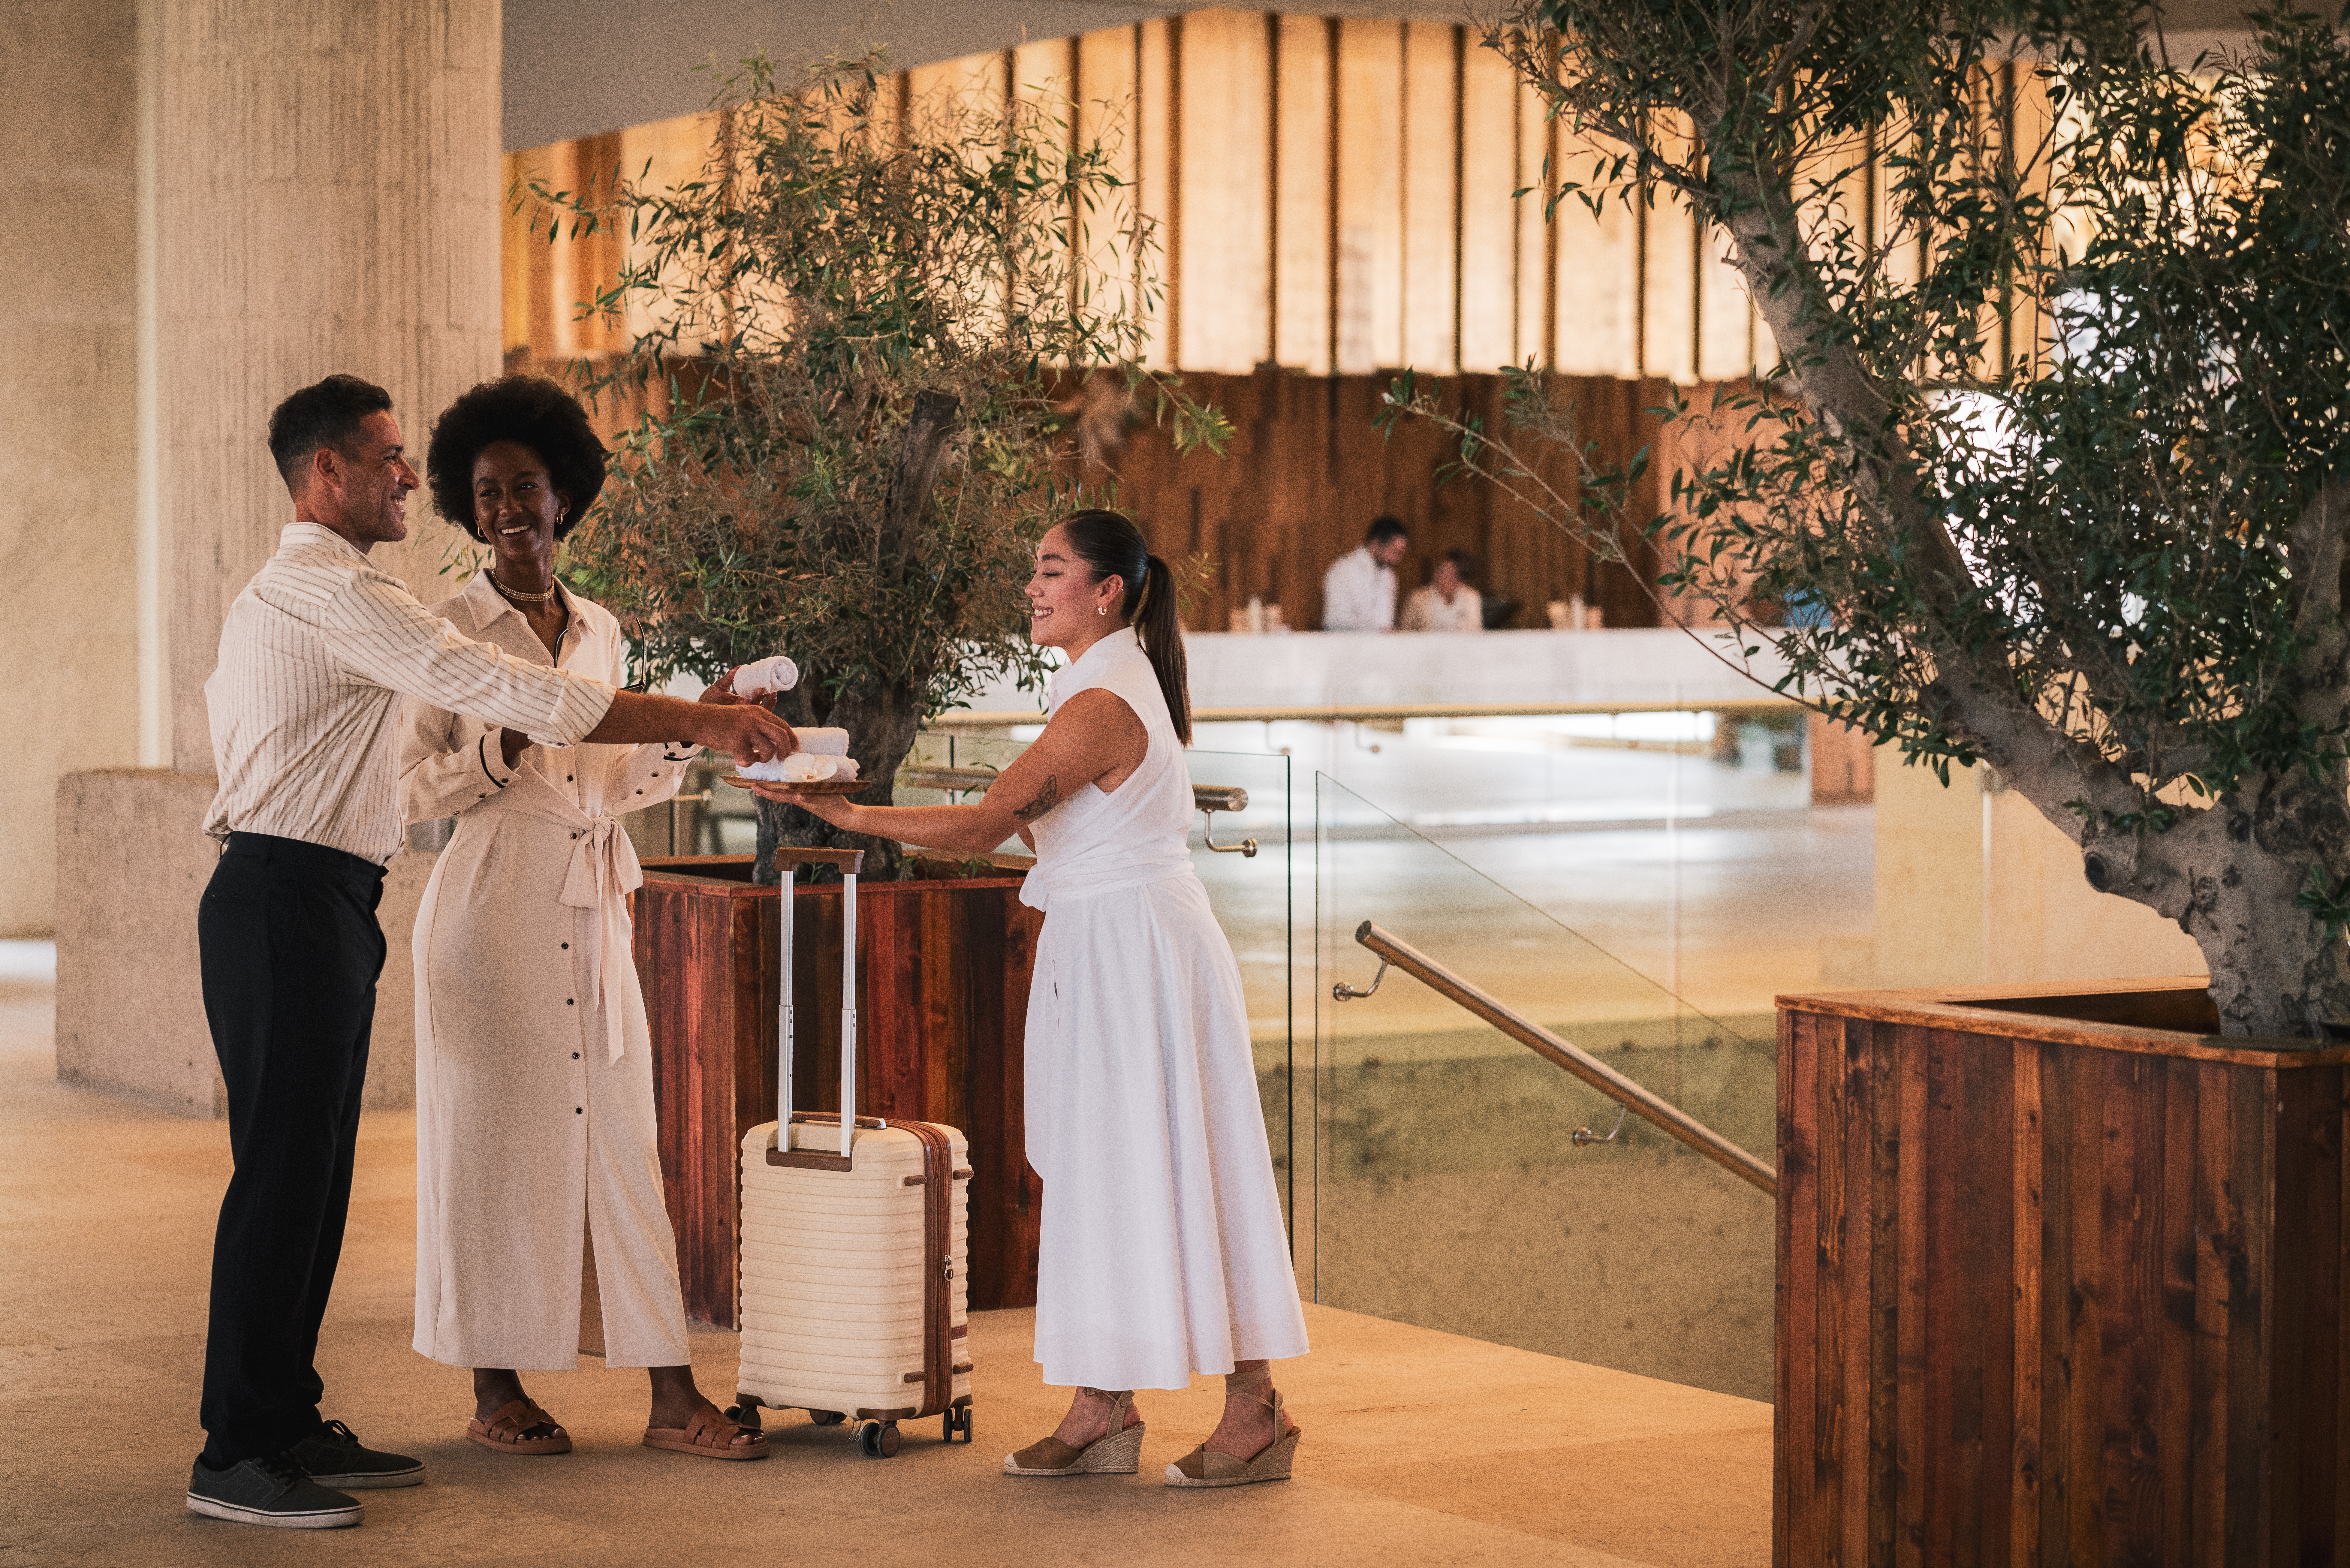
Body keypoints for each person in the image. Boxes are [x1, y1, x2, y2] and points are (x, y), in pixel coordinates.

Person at [189, 375, 794, 1531]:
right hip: (286, 890)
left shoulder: (341, 591)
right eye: (387, 458)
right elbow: (496, 690)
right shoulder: (332, 593)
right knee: (279, 1178)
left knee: (311, 1182)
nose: (407, 477)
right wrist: (698, 717)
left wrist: (676, 724)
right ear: (328, 474)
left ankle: (284, 1413)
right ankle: (234, 1450)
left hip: (324, 894)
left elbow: (573, 746)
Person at [747, 509, 1310, 1490]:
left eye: (1052, 570)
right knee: (1111, 1167)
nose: (1032, 586)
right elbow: (1023, 821)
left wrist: (849, 811)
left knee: (1182, 1161)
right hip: (1117, 941)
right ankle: (1104, 1405)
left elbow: (983, 827)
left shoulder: (1102, 700)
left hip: (1135, 949)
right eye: (1033, 571)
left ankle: (1252, 1407)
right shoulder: (1104, 682)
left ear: (1107, 592)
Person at [400, 376, 769, 1464]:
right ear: (470, 513)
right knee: (490, 1146)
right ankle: (494, 1386)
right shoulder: (448, 631)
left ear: (563, 496)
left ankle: (669, 1397)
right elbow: (409, 788)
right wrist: (498, 749)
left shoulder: (601, 629)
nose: (512, 508)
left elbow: (617, 782)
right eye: (488, 493)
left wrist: (692, 725)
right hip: (489, 908)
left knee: (618, 1142)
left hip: (591, 902)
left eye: (528, 487)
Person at [1320, 515, 1410, 630]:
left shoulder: (1389, 576)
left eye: (1400, 553)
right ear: (1376, 543)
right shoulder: (1343, 570)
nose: (1397, 559)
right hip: (1345, 645)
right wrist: (1377, 632)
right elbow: (1336, 622)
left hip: (1381, 646)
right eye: (1394, 550)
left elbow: (1386, 621)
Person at [1400, 549, 1484, 632]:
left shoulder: (1472, 597)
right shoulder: (1417, 598)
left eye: (1446, 574)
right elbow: (1404, 633)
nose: (1437, 575)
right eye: (1438, 570)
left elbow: (1478, 631)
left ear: (1460, 581)